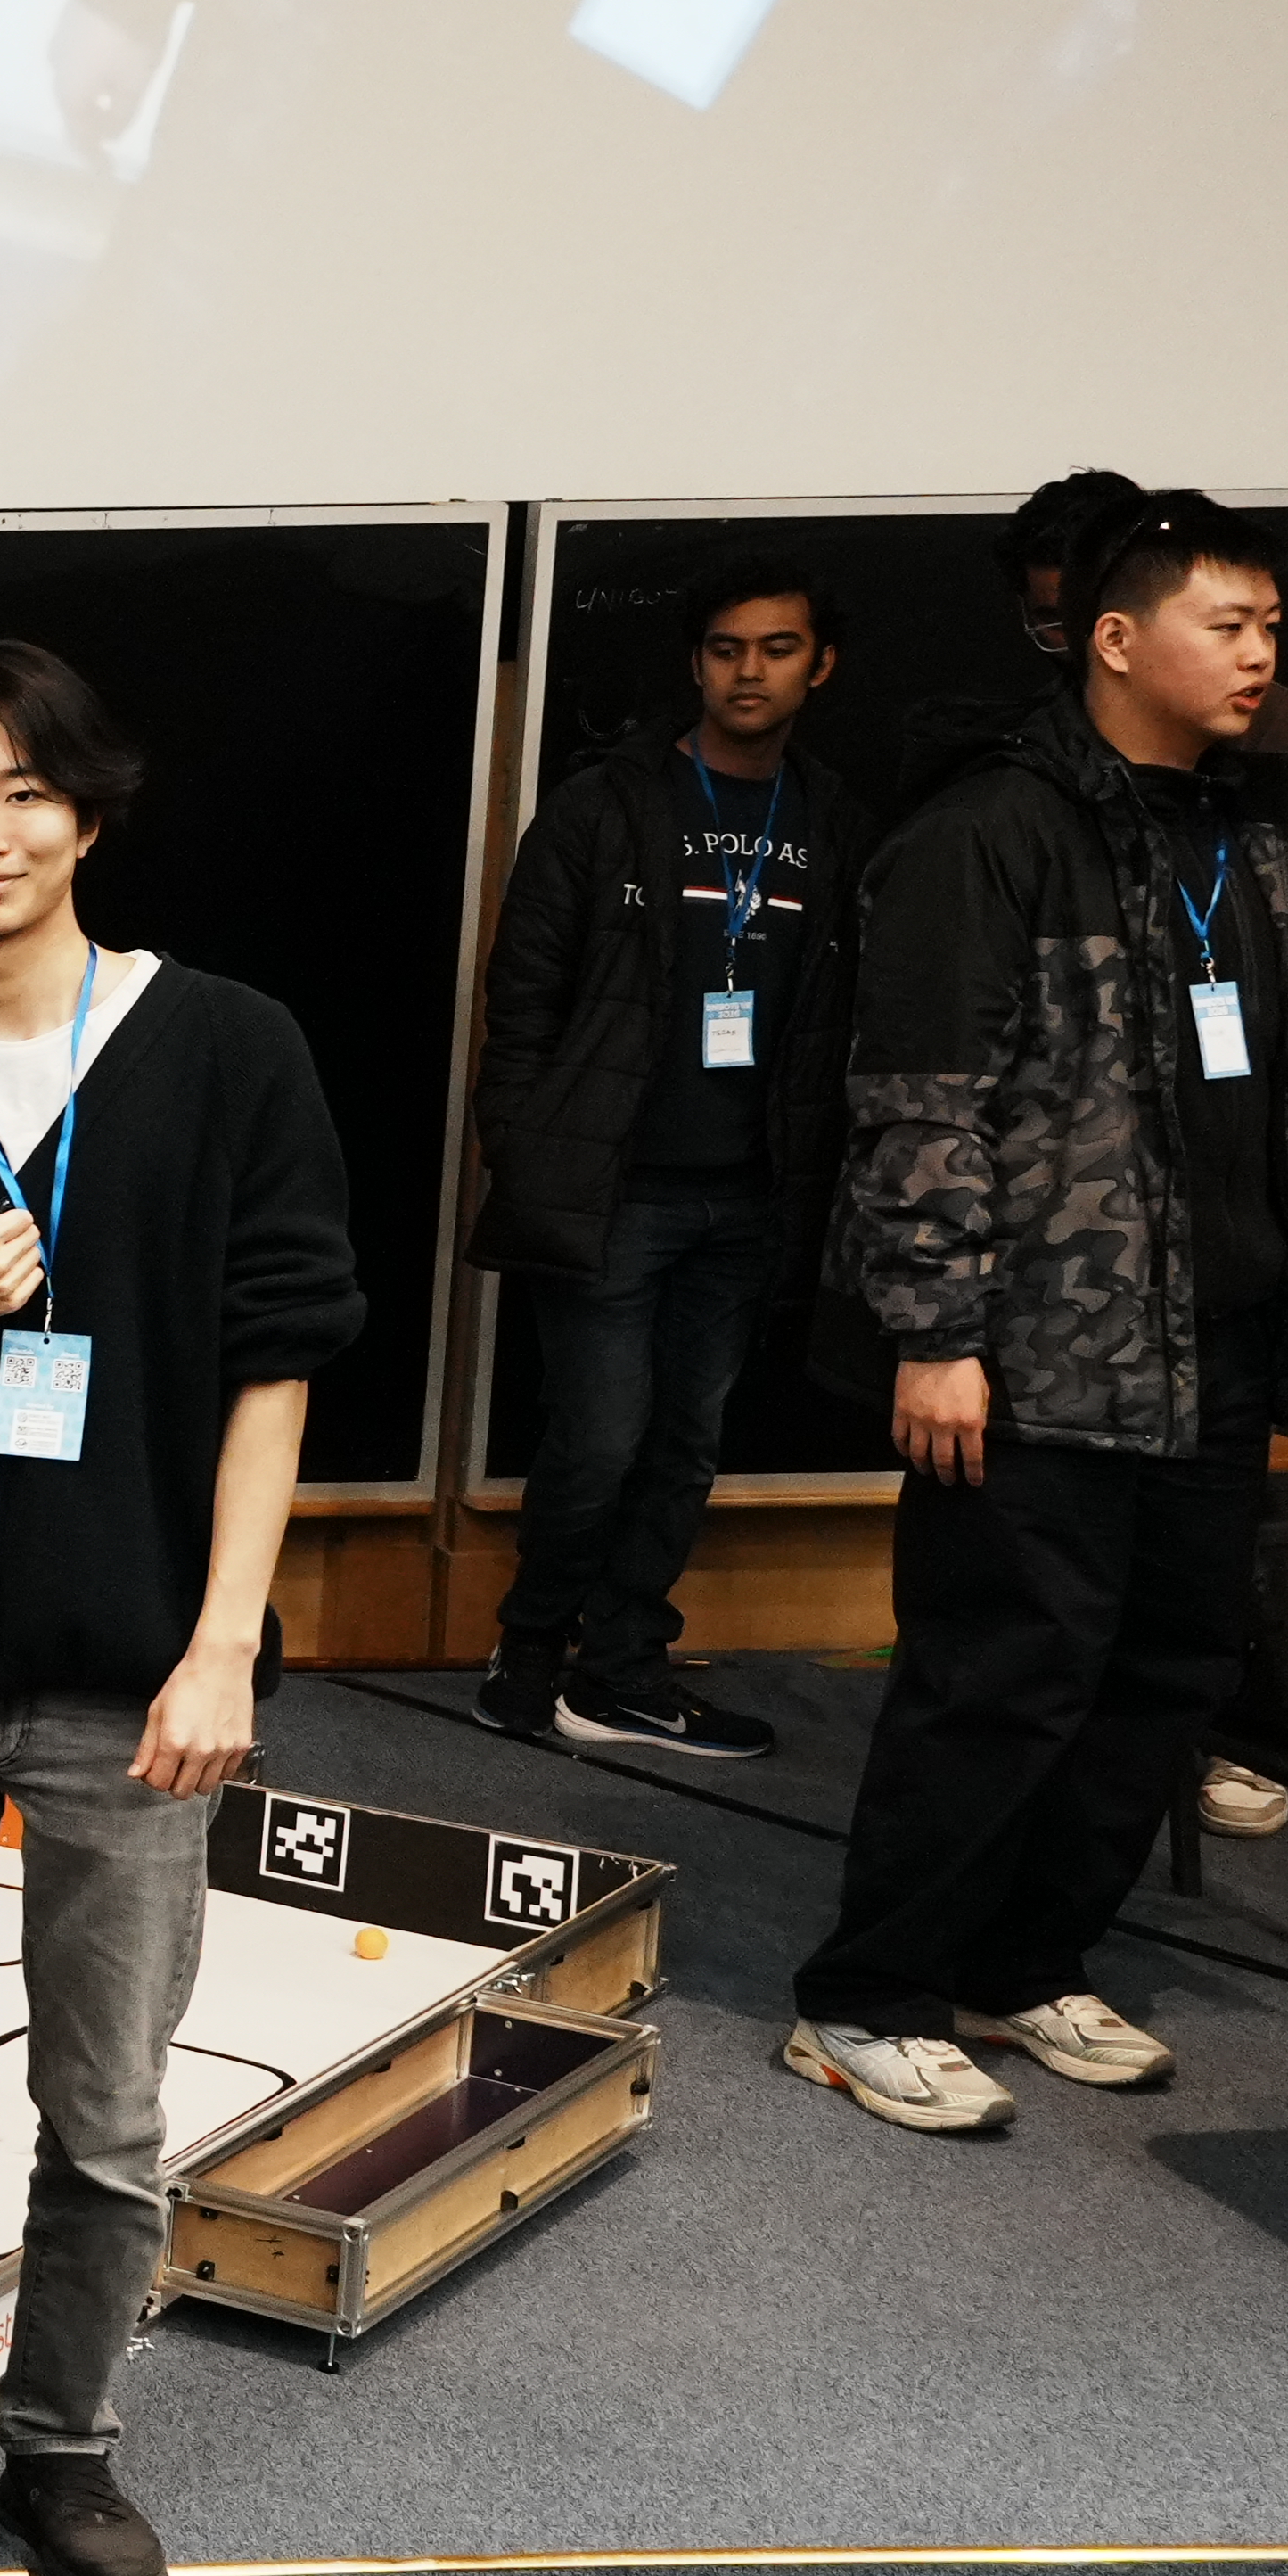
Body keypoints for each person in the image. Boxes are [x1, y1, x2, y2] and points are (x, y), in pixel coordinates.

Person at [0, 638, 357, 2576]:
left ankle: (60, 2450)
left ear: (90, 810)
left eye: (22, 792)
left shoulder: (227, 1047)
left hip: (133, 1673)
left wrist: (227, 1639)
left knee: (106, 2110)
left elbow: (275, 1366)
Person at [789, 495, 1288, 2133]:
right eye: (1228, 623)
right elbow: (917, 1097)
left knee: (1159, 1675)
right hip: (1035, 1351)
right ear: (1116, 638)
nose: (1261, 653)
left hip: (1218, 1340)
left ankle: (1025, 1958)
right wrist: (933, 1329)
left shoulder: (1258, 825)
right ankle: (867, 1995)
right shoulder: (986, 826)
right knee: (1001, 1677)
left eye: (1273, 625)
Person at [465, 555, 877, 1757]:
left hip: (752, 1198)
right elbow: (522, 997)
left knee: (686, 1445)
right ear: (697, 663)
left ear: (821, 664)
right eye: (727, 649)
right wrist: (529, 1153)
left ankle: (624, 1669)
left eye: (778, 648)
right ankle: (530, 1654)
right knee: (597, 1436)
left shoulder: (837, 825)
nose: (750, 671)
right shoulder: (609, 806)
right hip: (613, 1192)